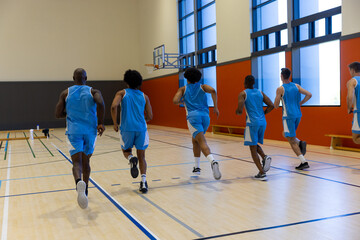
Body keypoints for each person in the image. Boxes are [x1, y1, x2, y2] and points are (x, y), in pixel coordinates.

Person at [55, 68, 105, 209]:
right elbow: (101, 103)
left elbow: (57, 113)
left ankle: (78, 183)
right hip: (90, 131)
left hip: (74, 131)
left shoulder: (66, 93)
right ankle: (86, 187)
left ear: (73, 78)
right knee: (86, 161)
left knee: (77, 163)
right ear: (86, 78)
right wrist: (100, 122)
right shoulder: (93, 91)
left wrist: (69, 113)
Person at [173, 67, 221, 180]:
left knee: (202, 142)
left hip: (193, 118)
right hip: (205, 117)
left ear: (186, 78)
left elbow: (175, 101)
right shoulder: (203, 87)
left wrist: (182, 101)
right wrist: (216, 107)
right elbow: (213, 91)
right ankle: (196, 167)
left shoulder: (183, 89)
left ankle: (213, 161)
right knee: (195, 141)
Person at [111, 70, 153, 193]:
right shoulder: (144, 96)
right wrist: (141, 120)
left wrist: (114, 122)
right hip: (141, 128)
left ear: (126, 81)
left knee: (126, 151)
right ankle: (144, 183)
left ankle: (130, 159)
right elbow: (150, 116)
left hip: (127, 128)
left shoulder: (122, 93)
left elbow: (114, 106)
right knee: (142, 156)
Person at [236, 75, 274, 181]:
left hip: (252, 123)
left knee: (252, 149)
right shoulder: (260, 92)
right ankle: (264, 157)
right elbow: (271, 105)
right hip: (263, 122)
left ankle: (262, 173)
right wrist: (264, 113)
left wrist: (238, 111)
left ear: (245, 82)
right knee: (253, 143)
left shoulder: (243, 93)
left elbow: (239, 109)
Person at [274, 68, 312, 170]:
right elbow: (309, 94)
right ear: (289, 76)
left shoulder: (280, 89)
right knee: (285, 133)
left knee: (291, 140)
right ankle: (300, 142)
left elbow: (276, 105)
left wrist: (278, 97)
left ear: (281, 76)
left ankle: (303, 162)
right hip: (298, 114)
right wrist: (300, 103)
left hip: (288, 116)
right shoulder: (296, 86)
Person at [347, 62, 360, 144]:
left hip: (358, 112)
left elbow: (350, 97)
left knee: (356, 138)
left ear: (353, 70)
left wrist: (348, 108)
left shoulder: (352, 81)